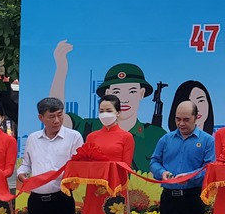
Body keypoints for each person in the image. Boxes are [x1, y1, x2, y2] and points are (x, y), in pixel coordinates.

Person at [50, 41, 166, 171]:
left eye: (132, 91)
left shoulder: (155, 134)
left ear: (141, 93)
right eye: (116, 92)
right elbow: (57, 117)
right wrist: (61, 70)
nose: (124, 99)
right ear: (108, 94)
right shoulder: (90, 129)